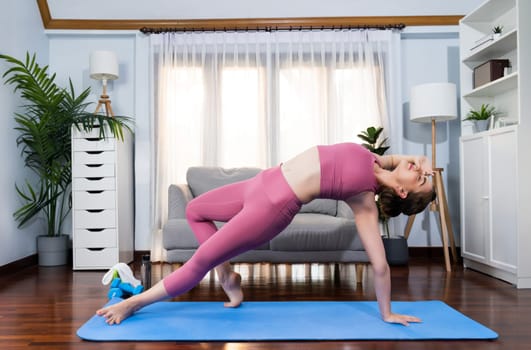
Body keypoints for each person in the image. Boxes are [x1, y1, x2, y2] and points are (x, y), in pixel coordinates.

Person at [97, 142, 435, 326]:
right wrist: (423, 166)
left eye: (420, 178)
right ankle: (227, 274)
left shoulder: (364, 201)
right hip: (260, 183)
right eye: (422, 171)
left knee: (199, 261)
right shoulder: (375, 159)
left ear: (404, 194)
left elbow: (379, 266)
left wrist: (387, 312)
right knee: (194, 210)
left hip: (272, 208)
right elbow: (414, 157)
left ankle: (135, 303)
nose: (419, 169)